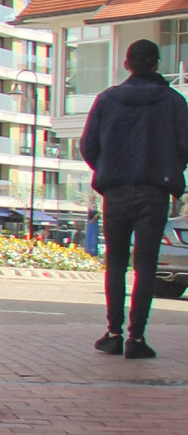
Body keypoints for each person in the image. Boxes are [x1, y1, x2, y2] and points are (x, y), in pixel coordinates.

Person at [78, 38, 188, 359]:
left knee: (115, 262)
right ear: (156, 64)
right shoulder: (174, 102)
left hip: (116, 190)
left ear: (127, 64)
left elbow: (88, 144)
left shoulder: (107, 100)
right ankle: (136, 338)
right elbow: (185, 147)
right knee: (146, 264)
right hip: (154, 191)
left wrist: (107, 169)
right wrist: (167, 170)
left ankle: (112, 332)